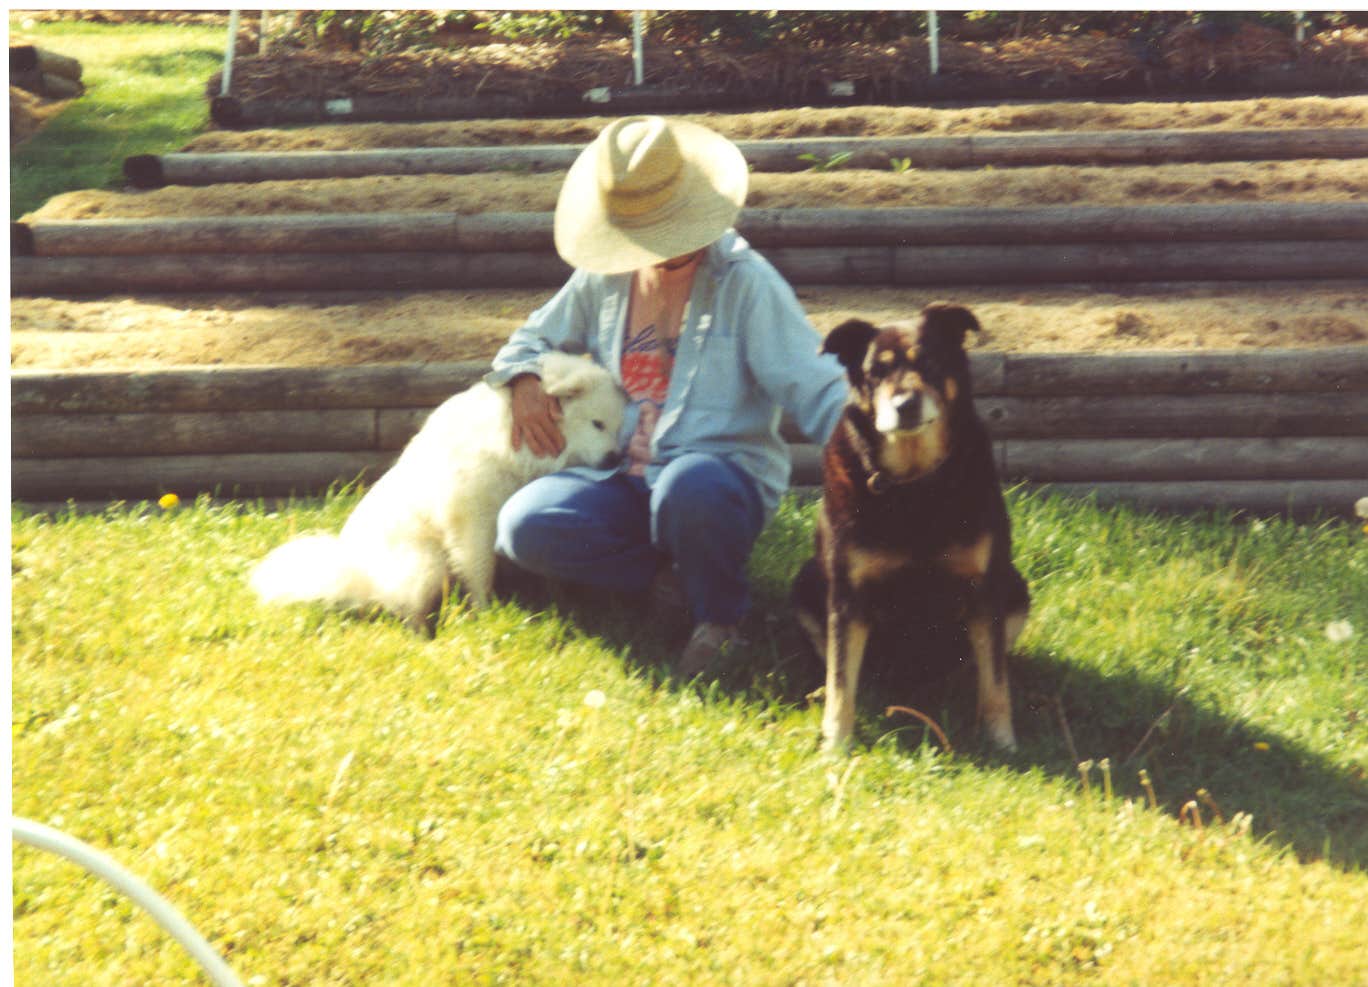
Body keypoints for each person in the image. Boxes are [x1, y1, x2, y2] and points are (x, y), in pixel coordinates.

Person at [486, 115, 848, 676]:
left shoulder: (746, 282)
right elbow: (532, 338)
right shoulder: (604, 277)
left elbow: (816, 383)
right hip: (622, 477)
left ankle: (719, 621)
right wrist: (523, 379)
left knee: (690, 486)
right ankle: (664, 581)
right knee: (524, 525)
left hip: (716, 480)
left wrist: (874, 454)